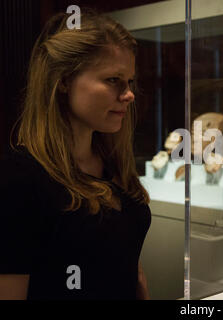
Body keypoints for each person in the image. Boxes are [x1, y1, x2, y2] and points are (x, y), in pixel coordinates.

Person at [0, 9, 151, 300]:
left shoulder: (111, 163)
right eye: (112, 80)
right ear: (64, 81)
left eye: (129, 81)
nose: (129, 94)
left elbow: (129, 264)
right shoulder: (18, 178)